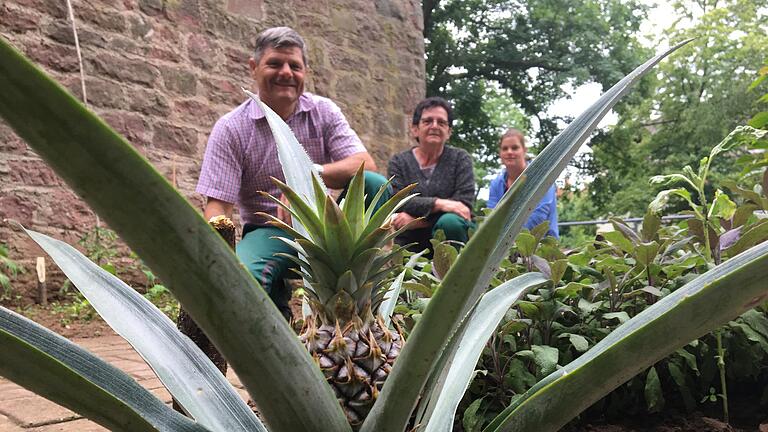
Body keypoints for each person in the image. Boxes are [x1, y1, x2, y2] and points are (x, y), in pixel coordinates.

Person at [196, 26, 387, 317]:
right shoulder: (232, 128)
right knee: (245, 276)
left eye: (294, 66)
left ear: (305, 72)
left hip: (327, 227)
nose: (286, 72)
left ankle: (364, 313)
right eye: (274, 63)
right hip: (268, 231)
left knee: (372, 183)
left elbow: (365, 163)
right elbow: (218, 204)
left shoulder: (323, 112)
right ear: (254, 67)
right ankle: (272, 341)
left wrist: (307, 179)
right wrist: (216, 258)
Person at [388, 97, 476, 253]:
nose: (435, 126)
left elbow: (463, 206)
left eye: (441, 122)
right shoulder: (399, 162)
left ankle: (454, 271)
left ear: (449, 132)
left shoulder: (461, 159)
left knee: (452, 221)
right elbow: (399, 201)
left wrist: (417, 220)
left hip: (451, 238)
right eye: (428, 121)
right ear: (415, 129)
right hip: (409, 243)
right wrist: (440, 204)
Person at [486, 128, 559, 238]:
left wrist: (506, 238)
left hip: (540, 246)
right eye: (505, 148)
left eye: (514, 148)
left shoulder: (541, 178)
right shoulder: (496, 184)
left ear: (524, 150)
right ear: (500, 153)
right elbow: (491, 216)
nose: (509, 152)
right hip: (502, 247)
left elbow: (539, 217)